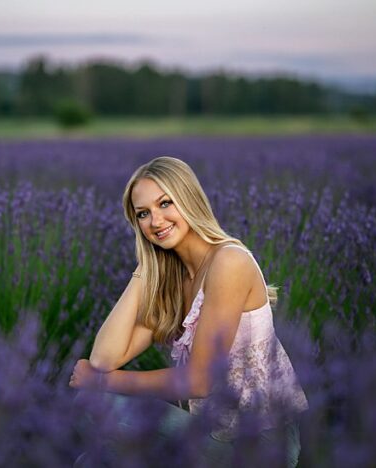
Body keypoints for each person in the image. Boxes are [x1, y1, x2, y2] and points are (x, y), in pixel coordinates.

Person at [69, 156, 308, 466]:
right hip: (211, 434)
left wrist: (104, 382)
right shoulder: (175, 280)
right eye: (143, 214)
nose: (156, 221)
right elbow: (103, 359)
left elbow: (199, 381)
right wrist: (143, 269)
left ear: (189, 199)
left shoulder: (229, 262)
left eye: (165, 203)